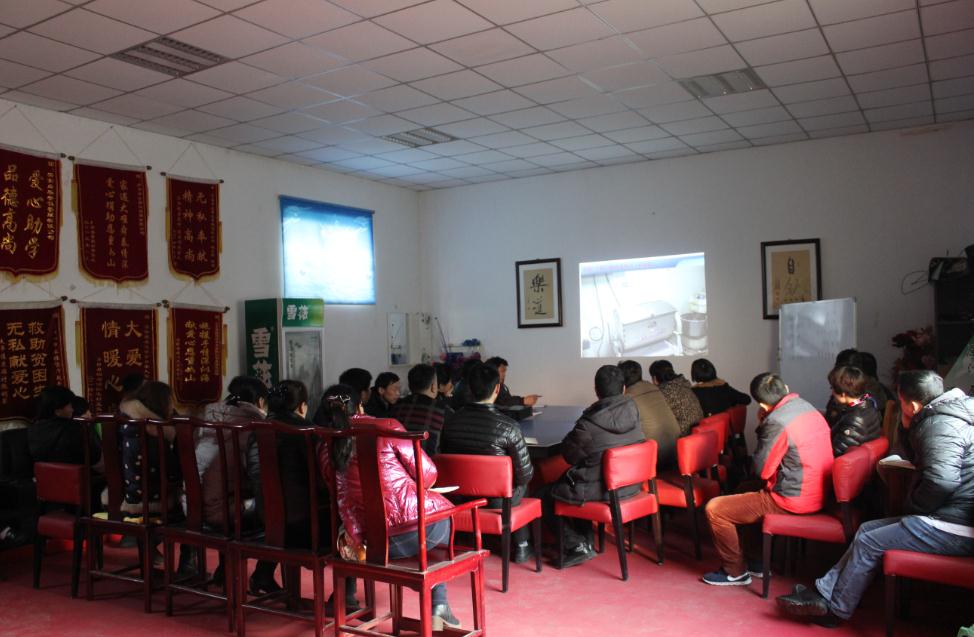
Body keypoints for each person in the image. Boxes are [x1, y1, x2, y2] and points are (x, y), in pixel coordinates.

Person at [777, 371, 974, 627]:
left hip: (953, 525)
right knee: (867, 529)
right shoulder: (950, 414)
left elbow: (942, 481)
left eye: (901, 403)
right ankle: (824, 592)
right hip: (951, 516)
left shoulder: (940, 425)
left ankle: (835, 611)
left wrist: (913, 508)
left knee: (870, 541)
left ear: (913, 405)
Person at [318, 387, 460, 629]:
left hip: (364, 542)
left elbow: (334, 488)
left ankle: (347, 595)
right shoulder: (387, 427)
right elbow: (428, 474)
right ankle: (439, 605)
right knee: (444, 519)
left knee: (347, 519)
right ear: (360, 406)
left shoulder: (324, 443)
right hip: (412, 533)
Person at [701, 372, 833, 586]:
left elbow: (760, 470)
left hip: (794, 499)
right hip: (818, 490)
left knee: (715, 509)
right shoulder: (807, 407)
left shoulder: (777, 421)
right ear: (786, 388)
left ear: (762, 404)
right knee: (744, 490)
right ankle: (756, 561)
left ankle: (734, 571)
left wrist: (763, 425)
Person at [538, 365, 645, 568]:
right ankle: (585, 542)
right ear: (624, 388)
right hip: (632, 485)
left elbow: (569, 455)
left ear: (596, 390)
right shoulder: (634, 411)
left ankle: (576, 545)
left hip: (602, 490)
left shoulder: (588, 423)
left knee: (545, 494)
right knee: (579, 481)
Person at [440, 363, 535, 563]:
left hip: (460, 497)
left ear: (469, 388)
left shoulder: (449, 423)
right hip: (496, 501)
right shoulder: (509, 427)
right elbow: (525, 475)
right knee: (523, 484)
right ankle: (521, 546)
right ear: (497, 389)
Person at [200, 376, 272, 588]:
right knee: (278, 511)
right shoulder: (250, 427)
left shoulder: (205, 418)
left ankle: (225, 569)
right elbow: (256, 476)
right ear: (260, 402)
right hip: (222, 510)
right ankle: (263, 575)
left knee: (230, 489)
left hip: (192, 504)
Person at [617, 360, 679, 471]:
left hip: (656, 459)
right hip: (675, 451)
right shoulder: (654, 388)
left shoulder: (628, 398)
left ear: (622, 380)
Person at [28, 385, 101, 466]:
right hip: (74, 472)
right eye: (69, 406)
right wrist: (89, 427)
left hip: (43, 473)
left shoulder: (33, 429)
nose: (72, 409)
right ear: (57, 410)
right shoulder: (73, 428)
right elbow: (94, 456)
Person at [390, 364, 448, 454]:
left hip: (398, 460)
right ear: (433, 387)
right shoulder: (443, 410)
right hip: (428, 461)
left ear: (410, 386)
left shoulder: (396, 406)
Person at [825, 365, 882, 456]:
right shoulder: (868, 403)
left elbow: (836, 452)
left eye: (832, 389)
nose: (832, 393)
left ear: (843, 394)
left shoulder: (853, 420)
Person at [649, 360, 704, 436]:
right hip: (700, 431)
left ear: (654, 378)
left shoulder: (663, 392)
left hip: (684, 435)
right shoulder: (683, 383)